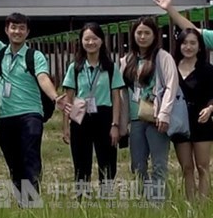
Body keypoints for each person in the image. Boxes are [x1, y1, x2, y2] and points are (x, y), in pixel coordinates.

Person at [0, 0, 68, 204]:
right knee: (13, 162)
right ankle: (22, 201)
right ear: (6, 30)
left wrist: (55, 97)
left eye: (21, 28)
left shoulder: (33, 55)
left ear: (27, 32)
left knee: (30, 160)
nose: (17, 31)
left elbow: (43, 78)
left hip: (30, 116)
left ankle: (32, 204)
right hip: (6, 118)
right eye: (13, 27)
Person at [61, 22, 125, 199]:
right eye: (86, 39)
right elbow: (68, 98)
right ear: (81, 41)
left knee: (108, 161)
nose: (91, 42)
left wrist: (115, 124)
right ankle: (83, 199)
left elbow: (116, 98)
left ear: (102, 41)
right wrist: (66, 126)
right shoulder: (74, 68)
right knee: (81, 162)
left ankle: (107, 198)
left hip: (104, 116)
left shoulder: (111, 68)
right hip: (79, 117)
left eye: (94, 38)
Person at [121, 16, 178, 203]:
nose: (143, 37)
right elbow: (122, 93)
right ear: (133, 35)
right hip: (136, 119)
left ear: (155, 35)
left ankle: (158, 204)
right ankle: (145, 200)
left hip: (156, 119)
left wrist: (164, 114)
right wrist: (122, 123)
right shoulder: (126, 60)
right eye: (139, 33)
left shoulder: (163, 57)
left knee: (159, 164)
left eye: (147, 33)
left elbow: (171, 85)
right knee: (137, 165)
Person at [170, 28, 213, 200]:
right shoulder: (171, 68)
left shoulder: (208, 69)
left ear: (200, 47)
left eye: (193, 43)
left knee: (203, 166)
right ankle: (189, 205)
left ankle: (202, 206)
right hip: (180, 122)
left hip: (202, 122)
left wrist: (210, 109)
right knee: (186, 167)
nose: (188, 47)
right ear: (179, 45)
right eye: (184, 43)